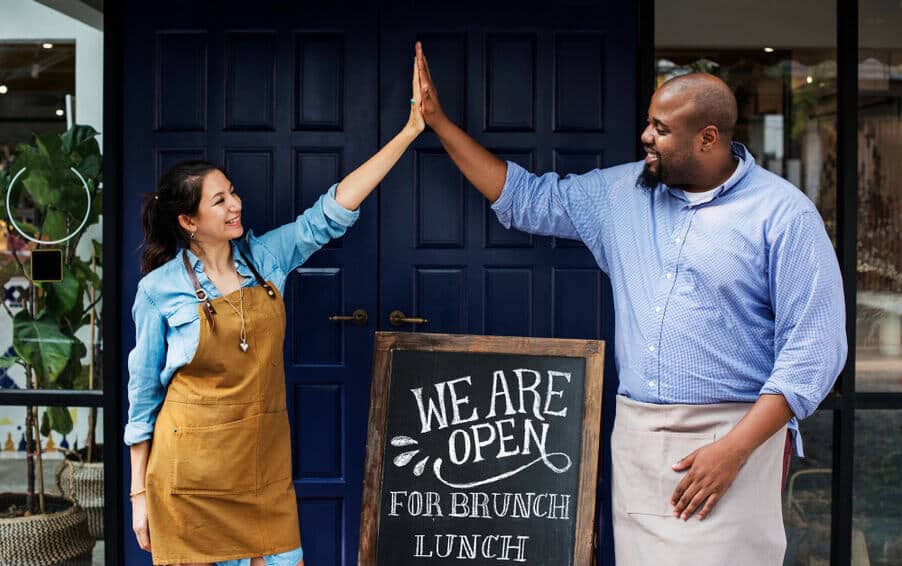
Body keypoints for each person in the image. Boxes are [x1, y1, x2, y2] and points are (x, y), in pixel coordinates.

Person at [413, 42, 846, 565]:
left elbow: (814, 352)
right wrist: (437, 122)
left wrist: (734, 450)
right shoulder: (622, 195)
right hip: (639, 436)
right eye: (649, 122)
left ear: (708, 138)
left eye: (661, 129)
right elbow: (525, 199)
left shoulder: (783, 216)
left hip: (736, 437)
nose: (645, 135)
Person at [125, 61, 425, 566]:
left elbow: (330, 214)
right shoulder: (157, 292)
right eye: (219, 201)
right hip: (188, 484)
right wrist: (138, 497)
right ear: (188, 221)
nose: (235, 205)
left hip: (261, 474)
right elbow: (143, 401)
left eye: (232, 193)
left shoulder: (265, 259)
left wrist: (410, 132)